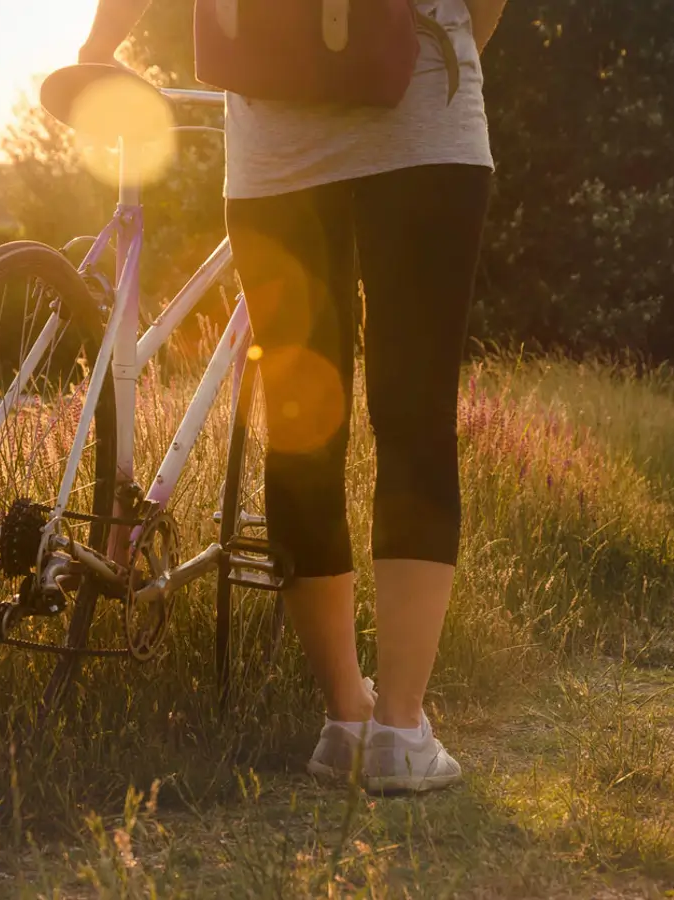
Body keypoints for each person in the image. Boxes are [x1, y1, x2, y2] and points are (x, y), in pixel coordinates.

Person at [78, 0, 508, 793]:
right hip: (424, 123)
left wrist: (100, 46)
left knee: (302, 425)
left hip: (275, 136)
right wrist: (451, 44)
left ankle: (345, 716)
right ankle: (401, 728)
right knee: (415, 420)